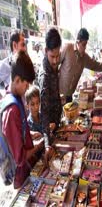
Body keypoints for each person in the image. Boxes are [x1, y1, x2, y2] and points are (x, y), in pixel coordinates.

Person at [1, 51, 42, 188]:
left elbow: (17, 133)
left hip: (27, 169)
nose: (27, 88)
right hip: (21, 175)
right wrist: (39, 146)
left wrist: (29, 134)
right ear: (17, 80)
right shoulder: (12, 111)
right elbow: (19, 158)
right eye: (26, 85)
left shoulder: (16, 98)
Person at [59, 28, 102, 103]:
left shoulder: (84, 57)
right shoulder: (67, 48)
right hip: (59, 93)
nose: (85, 47)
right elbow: (56, 62)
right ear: (78, 42)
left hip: (69, 95)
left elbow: (95, 65)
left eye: (86, 44)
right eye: (83, 45)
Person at [38, 28, 63, 164]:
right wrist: (47, 144)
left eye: (57, 56)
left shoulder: (54, 66)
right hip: (49, 131)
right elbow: (44, 113)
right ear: (45, 50)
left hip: (56, 126)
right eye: (52, 56)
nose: (55, 60)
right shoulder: (44, 76)